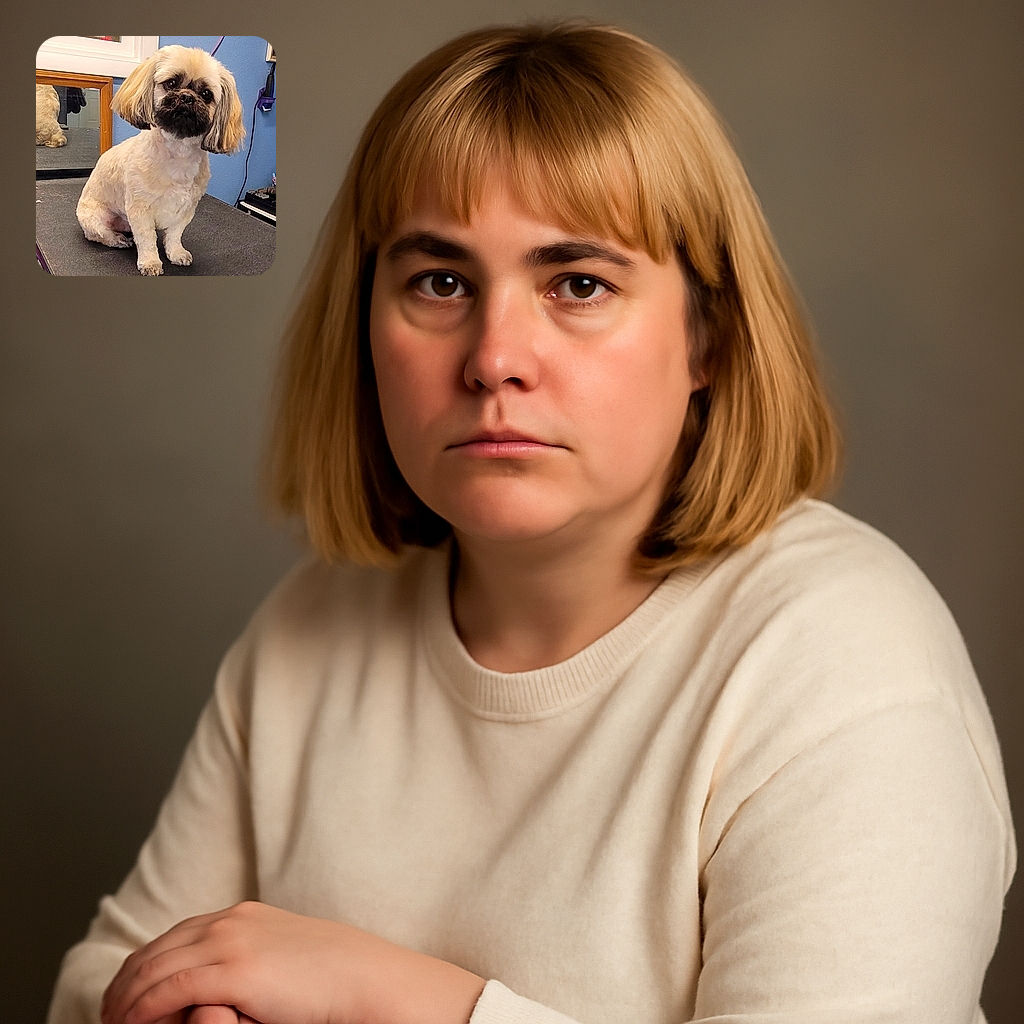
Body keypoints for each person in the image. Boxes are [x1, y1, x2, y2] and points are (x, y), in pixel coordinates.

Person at [49, 21, 1014, 1024]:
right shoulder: (309, 628)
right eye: (440, 281)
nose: (494, 357)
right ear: (365, 325)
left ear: (708, 337)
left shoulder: (846, 658)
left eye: (579, 283)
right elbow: (104, 976)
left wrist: (387, 997)